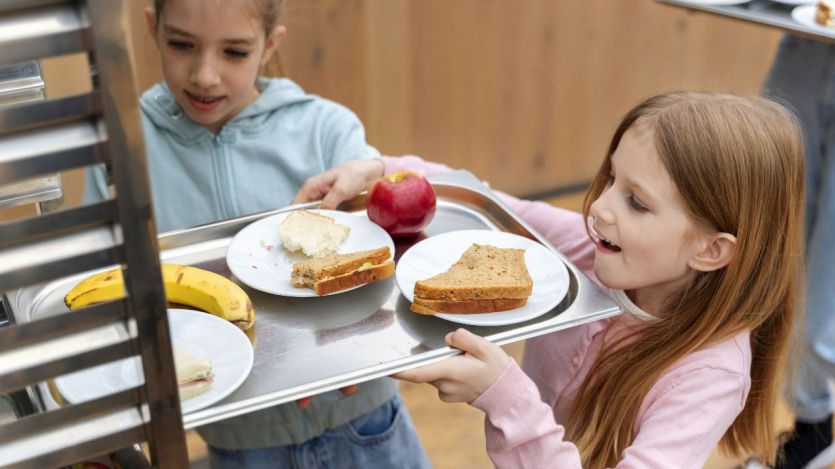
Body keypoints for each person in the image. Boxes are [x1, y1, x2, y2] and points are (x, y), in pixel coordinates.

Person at [84, 0, 430, 467]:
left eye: (234, 52)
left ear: (270, 45)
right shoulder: (120, 151)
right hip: (242, 439)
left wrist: (361, 340)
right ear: (153, 28)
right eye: (182, 44)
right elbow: (98, 286)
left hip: (366, 418)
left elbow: (390, 260)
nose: (205, 75)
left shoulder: (328, 130)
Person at [386, 91, 805, 468]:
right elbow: (491, 204)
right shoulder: (590, 247)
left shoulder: (710, 375)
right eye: (609, 177)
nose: (600, 207)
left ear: (710, 250)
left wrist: (506, 398)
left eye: (636, 202)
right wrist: (383, 170)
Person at [744, 34, 835, 469]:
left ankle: (813, 422)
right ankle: (811, 424)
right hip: (808, 39)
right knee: (776, 245)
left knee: (825, 289)